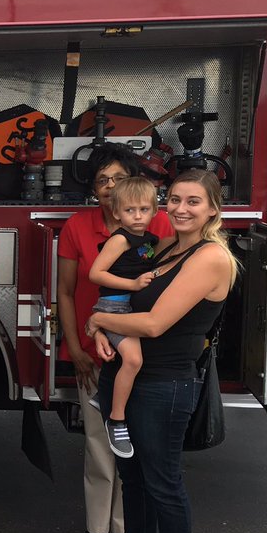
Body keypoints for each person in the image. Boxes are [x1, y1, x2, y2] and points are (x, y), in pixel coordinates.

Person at [80, 169, 235, 533]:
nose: (182, 209)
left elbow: (152, 324)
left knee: (163, 485)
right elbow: (123, 298)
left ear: (213, 209)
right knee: (134, 480)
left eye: (194, 202)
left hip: (167, 383)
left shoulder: (210, 257)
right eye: (176, 200)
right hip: (136, 377)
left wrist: (99, 321)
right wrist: (99, 320)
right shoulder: (166, 248)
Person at [56, 145, 173, 533]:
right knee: (99, 442)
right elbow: (67, 292)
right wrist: (75, 347)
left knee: (136, 441)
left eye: (118, 179)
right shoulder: (77, 227)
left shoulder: (160, 225)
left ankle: (126, 529)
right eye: (102, 180)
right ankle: (96, 530)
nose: (110, 188)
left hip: (144, 348)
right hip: (96, 353)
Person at [87, 176, 159, 459]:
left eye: (144, 209)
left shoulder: (150, 240)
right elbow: (95, 274)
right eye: (130, 210)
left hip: (132, 308)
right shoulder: (119, 239)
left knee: (139, 359)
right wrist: (133, 285)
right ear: (117, 213)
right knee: (133, 360)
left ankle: (101, 397)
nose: (137, 216)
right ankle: (116, 420)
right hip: (114, 307)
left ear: (154, 210)